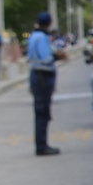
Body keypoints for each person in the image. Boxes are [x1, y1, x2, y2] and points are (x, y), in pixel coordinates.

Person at [27, 11, 61, 156]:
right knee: (42, 112)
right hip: (43, 76)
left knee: (40, 112)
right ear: (49, 23)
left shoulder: (34, 36)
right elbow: (46, 58)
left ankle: (41, 144)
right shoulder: (42, 37)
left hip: (36, 75)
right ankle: (42, 146)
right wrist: (57, 56)